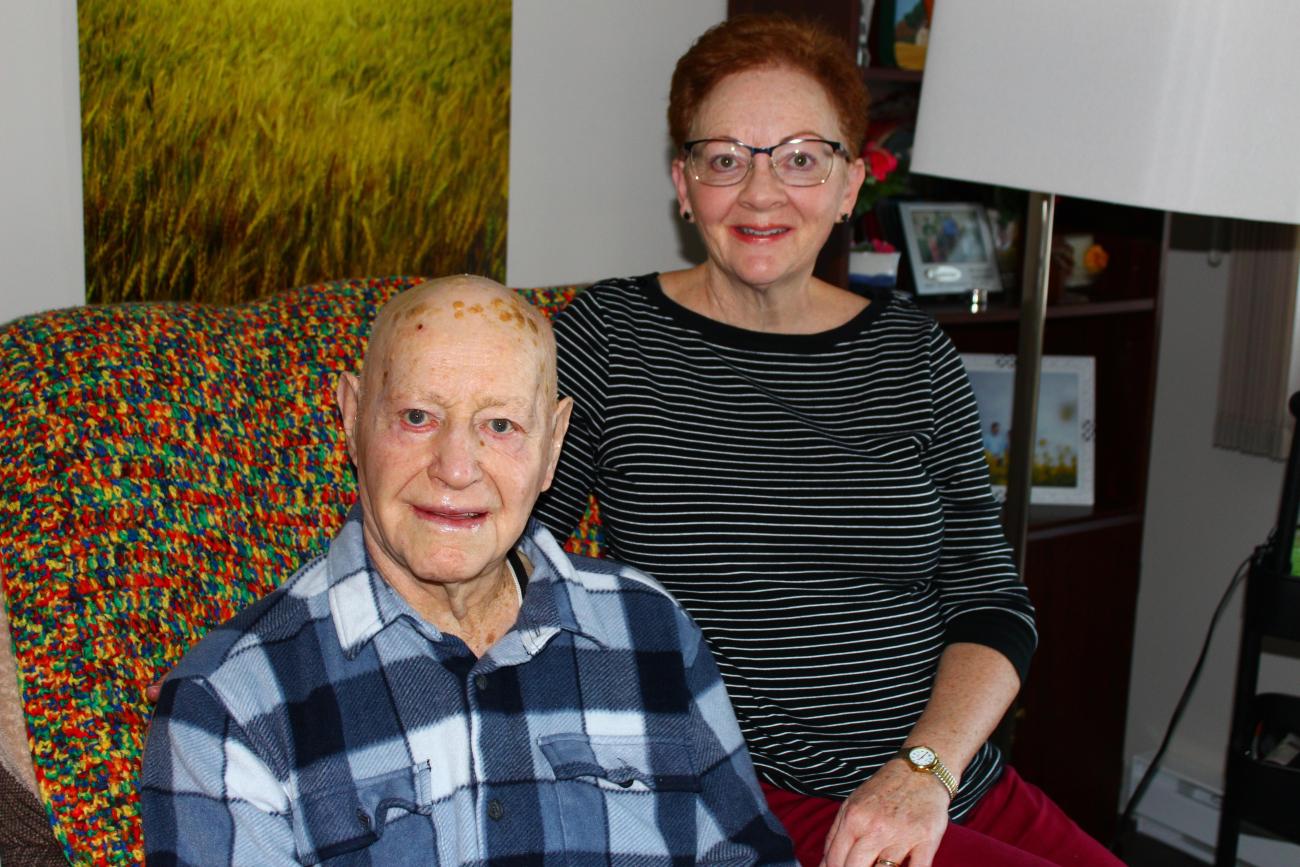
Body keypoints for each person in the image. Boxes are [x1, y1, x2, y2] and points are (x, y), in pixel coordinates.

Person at [533, 15, 1122, 867]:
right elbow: (513, 546)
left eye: (803, 157)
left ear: (850, 185)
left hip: (945, 771)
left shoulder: (915, 352)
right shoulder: (610, 338)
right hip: (760, 792)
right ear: (684, 183)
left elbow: (993, 599)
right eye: (726, 158)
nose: (762, 193)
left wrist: (926, 767)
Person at [139, 276, 795, 867]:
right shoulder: (230, 705)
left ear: (552, 447)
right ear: (351, 417)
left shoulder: (650, 627)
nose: (456, 466)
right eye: (417, 416)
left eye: (501, 424)